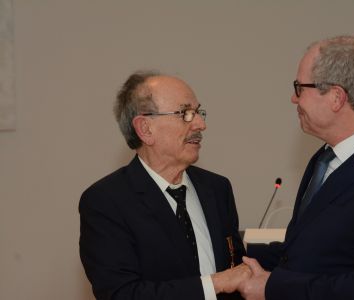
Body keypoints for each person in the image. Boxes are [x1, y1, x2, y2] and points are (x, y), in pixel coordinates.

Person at [240, 36, 354, 300]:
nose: (294, 99)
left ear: (336, 97)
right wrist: (231, 252)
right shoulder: (325, 159)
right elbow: (304, 253)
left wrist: (273, 288)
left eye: (299, 88)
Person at [79, 71, 250, 300]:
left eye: (198, 112)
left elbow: (237, 273)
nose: (201, 124)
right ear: (145, 129)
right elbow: (122, 294)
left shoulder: (217, 189)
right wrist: (214, 284)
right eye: (186, 114)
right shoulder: (106, 202)